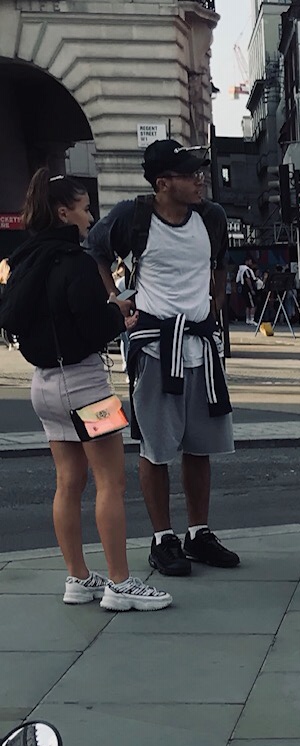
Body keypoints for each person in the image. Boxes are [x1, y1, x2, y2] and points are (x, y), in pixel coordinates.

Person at [3, 170, 171, 611]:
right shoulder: (75, 262)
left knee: (67, 482)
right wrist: (118, 314)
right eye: (84, 207)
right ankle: (120, 582)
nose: (90, 214)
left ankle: (78, 578)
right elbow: (93, 325)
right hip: (87, 384)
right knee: (110, 482)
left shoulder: (25, 261)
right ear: (64, 212)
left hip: (43, 384)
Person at [86, 139, 239, 578]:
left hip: (201, 345)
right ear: (162, 183)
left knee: (200, 444)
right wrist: (115, 298)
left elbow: (220, 262)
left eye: (199, 173)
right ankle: (162, 538)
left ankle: (198, 532)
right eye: (190, 175)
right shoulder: (133, 217)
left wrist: (218, 299)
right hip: (155, 345)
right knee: (156, 447)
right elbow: (95, 251)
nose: (200, 180)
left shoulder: (211, 217)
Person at [236, 253, 261, 325]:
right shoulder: (246, 270)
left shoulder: (242, 269)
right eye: (250, 261)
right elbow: (248, 279)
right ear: (247, 261)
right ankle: (251, 319)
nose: (251, 263)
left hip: (245, 289)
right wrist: (252, 289)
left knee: (248, 305)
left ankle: (247, 319)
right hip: (248, 290)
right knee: (253, 305)